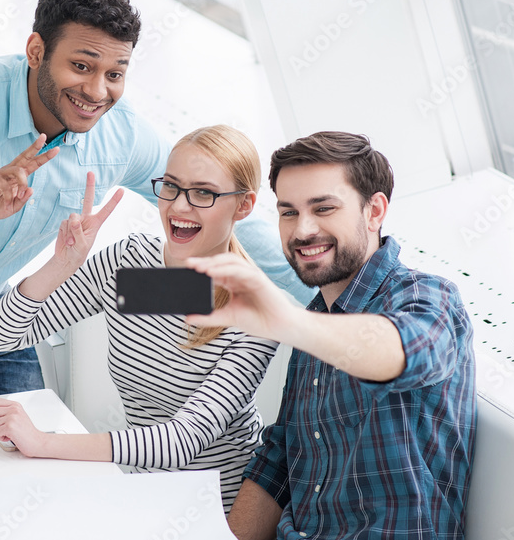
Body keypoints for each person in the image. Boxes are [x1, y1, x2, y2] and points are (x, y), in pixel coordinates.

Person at [0, 0, 310, 414]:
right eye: (81, 66)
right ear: (36, 50)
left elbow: (219, 206)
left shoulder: (120, 137)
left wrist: (326, 299)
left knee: (29, 456)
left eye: (115, 74)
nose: (97, 91)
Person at [185, 131, 476, 539]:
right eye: (288, 212)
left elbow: (403, 349)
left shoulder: (429, 296)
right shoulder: (315, 317)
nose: (302, 230)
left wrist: (287, 322)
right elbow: (281, 459)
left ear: (374, 211)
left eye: (323, 208)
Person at [0, 125, 278, 512]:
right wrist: (61, 266)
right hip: (140, 491)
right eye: (170, 186)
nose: (179, 206)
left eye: (203, 192)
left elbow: (181, 441)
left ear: (243, 206)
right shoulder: (135, 271)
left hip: (221, 509)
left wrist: (43, 442)